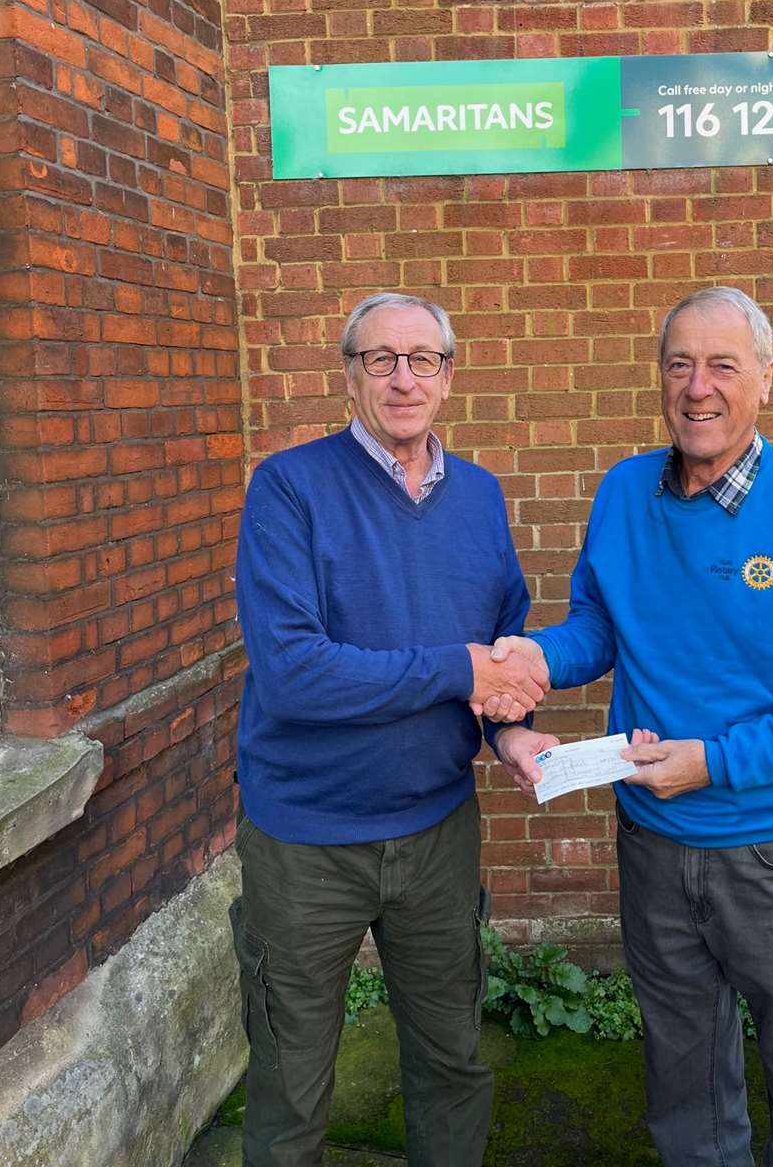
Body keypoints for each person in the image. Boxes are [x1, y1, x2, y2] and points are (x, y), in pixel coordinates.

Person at [489, 285, 773, 1167]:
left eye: (722, 364)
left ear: (765, 379)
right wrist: (531, 659)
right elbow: (602, 630)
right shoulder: (624, 490)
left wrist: (717, 762)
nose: (698, 385)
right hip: (653, 846)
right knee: (687, 1103)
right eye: (680, 363)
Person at [231, 291, 548, 1167]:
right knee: (292, 1084)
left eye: (424, 359)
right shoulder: (289, 488)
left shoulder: (479, 496)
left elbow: (500, 642)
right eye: (381, 359)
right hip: (307, 842)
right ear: (350, 375)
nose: (404, 378)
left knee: (451, 1063)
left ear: (449, 375)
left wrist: (513, 732)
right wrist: (461, 670)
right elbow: (294, 674)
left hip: (437, 834)